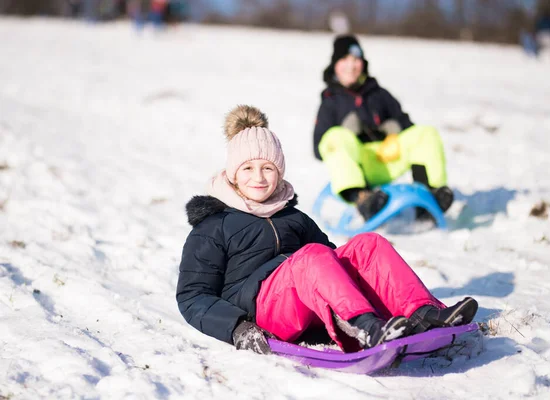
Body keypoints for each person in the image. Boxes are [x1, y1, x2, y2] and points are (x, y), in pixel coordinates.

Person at [176, 105, 478, 354]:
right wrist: (238, 327)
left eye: (268, 168)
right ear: (233, 174)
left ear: (279, 172)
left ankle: (423, 312)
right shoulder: (214, 225)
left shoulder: (293, 217)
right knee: (312, 256)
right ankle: (364, 326)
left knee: (367, 245)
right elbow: (193, 296)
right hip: (261, 311)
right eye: (248, 169)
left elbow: (333, 265)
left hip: (305, 297)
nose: (259, 177)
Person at [313, 35, 454, 221]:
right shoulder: (330, 102)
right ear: (335, 65)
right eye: (345, 59)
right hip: (358, 166)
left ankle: (430, 196)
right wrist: (346, 133)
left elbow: (409, 130)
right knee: (334, 137)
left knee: (425, 134)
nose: (351, 65)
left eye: (356, 60)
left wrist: (394, 129)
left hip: (387, 159)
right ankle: (362, 198)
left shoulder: (379, 94)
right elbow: (319, 148)